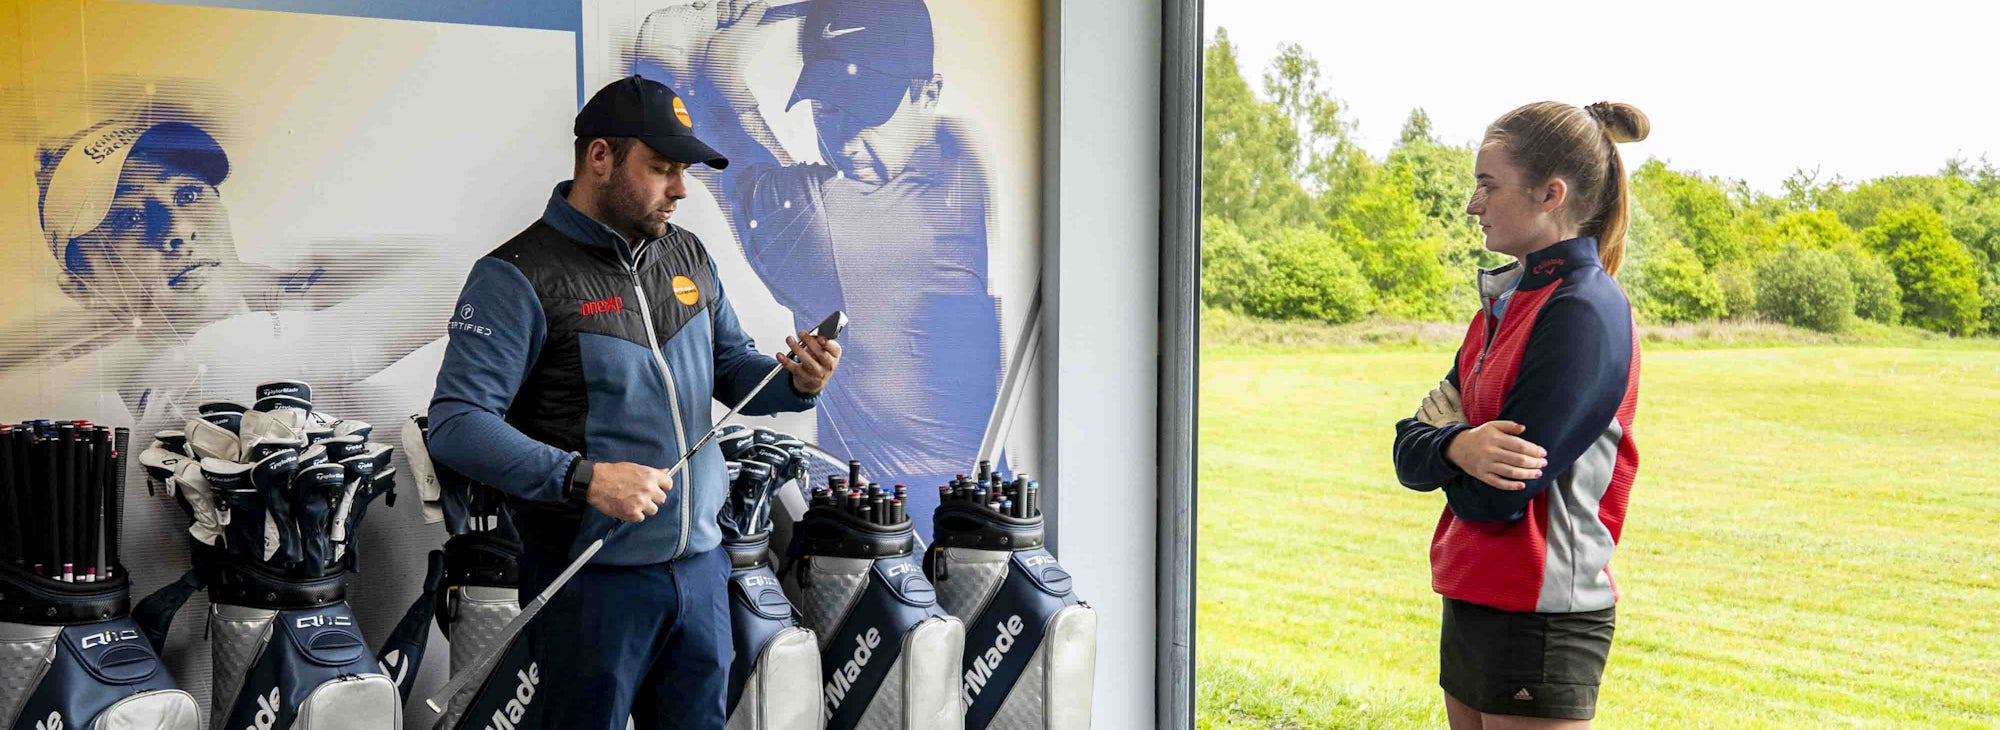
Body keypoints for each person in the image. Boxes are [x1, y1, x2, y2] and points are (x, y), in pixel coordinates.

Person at [425, 75, 843, 728]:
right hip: (592, 583)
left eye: (683, 172)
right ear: (600, 158)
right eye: (662, 170)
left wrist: (797, 380)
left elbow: (731, 368)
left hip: (704, 572)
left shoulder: (687, 253)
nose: (680, 189)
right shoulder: (516, 275)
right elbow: (455, 424)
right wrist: (585, 477)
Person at [635, 0, 1001, 534]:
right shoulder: (960, 160)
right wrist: (726, 68)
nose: (846, 142)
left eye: (868, 110)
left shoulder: (832, 223)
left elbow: (709, 126)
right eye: (828, 109)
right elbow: (783, 176)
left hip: (886, 524)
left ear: (928, 93)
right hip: (965, 501)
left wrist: (673, 45)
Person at [1392, 101, 1649, 730]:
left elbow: (1496, 499)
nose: (1472, 204)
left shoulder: (1583, 311)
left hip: (1545, 615)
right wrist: (1458, 447)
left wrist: (1448, 442)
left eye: (1487, 184)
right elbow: (1406, 448)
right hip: (1474, 592)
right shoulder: (1500, 307)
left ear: (1549, 194)